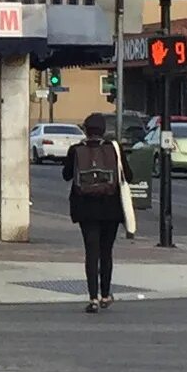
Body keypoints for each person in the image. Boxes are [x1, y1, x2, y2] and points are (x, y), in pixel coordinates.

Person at [61, 111, 128, 312]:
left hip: (86, 208)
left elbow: (66, 176)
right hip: (111, 208)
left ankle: (93, 298)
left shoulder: (75, 150)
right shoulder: (114, 149)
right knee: (106, 252)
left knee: (91, 252)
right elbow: (129, 176)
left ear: (86, 130)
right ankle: (106, 294)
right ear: (104, 130)